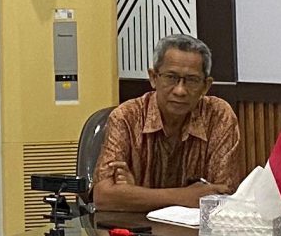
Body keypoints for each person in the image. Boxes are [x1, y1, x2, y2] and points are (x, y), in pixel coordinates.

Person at [90, 35, 246, 218]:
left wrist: (134, 194)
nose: (180, 90)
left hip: (197, 233)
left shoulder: (218, 116)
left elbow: (222, 196)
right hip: (137, 232)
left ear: (206, 86)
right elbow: (103, 197)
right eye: (171, 77)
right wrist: (187, 196)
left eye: (192, 80)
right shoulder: (126, 117)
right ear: (153, 78)